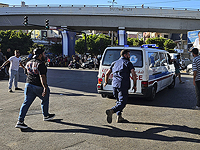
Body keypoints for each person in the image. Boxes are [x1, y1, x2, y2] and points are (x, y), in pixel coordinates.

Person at [15, 48, 55, 129]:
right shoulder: (41, 64)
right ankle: (46, 115)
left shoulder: (28, 62)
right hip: (38, 86)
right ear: (40, 55)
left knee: (26, 103)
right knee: (45, 99)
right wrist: (45, 87)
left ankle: (20, 121)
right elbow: (42, 77)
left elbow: (26, 73)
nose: (44, 55)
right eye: (43, 54)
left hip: (29, 85)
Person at [104, 49, 137, 123]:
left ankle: (119, 117)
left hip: (115, 85)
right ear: (125, 55)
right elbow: (134, 74)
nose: (129, 56)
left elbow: (107, 74)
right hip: (123, 85)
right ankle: (112, 111)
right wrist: (135, 85)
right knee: (122, 102)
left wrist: (106, 82)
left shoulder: (114, 63)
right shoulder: (128, 63)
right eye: (128, 55)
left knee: (118, 101)